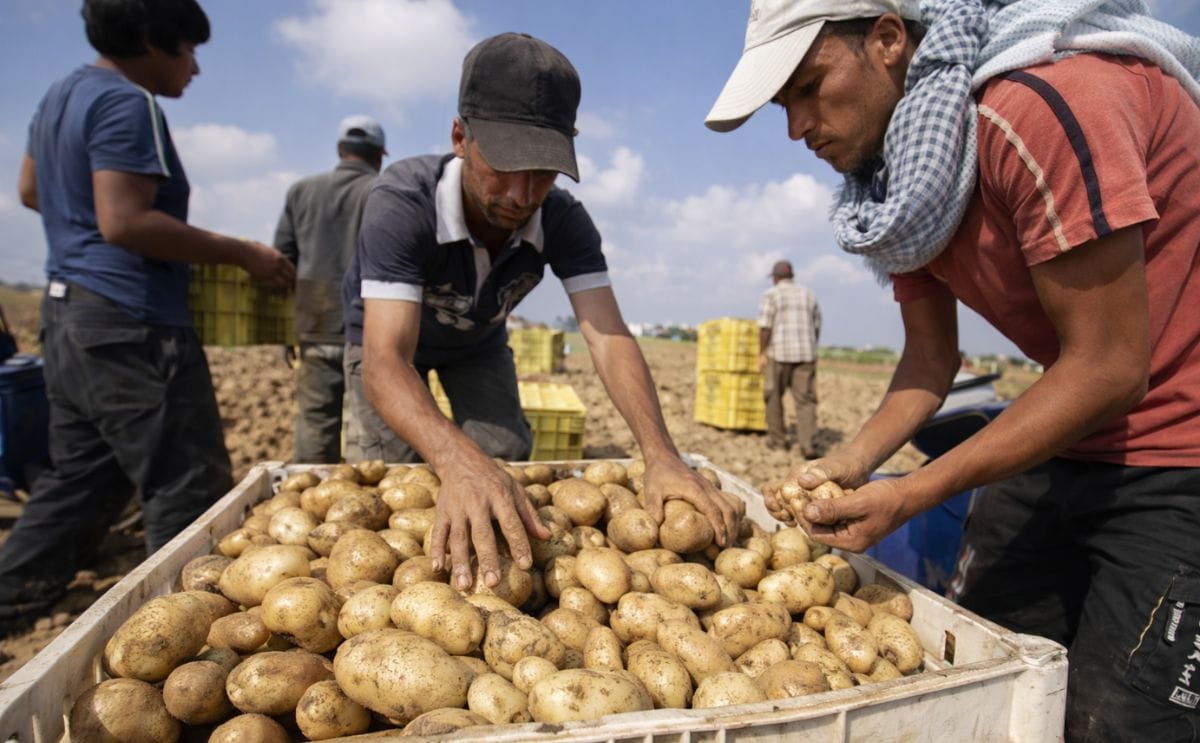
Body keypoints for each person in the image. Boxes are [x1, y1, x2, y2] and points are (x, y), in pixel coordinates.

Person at [706, 0, 1200, 739]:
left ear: (887, 39)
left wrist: (910, 491)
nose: (796, 126)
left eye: (809, 86)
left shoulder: (1042, 110)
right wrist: (850, 462)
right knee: (978, 671)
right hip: (1069, 431)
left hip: (1180, 452)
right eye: (784, 105)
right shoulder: (907, 188)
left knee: (1118, 722)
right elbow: (931, 361)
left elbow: (1110, 367)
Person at [343, 32, 742, 592]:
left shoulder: (562, 219)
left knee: (505, 459)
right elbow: (386, 360)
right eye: (505, 165)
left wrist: (662, 455)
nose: (523, 193)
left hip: (478, 344)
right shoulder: (401, 204)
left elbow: (607, 337)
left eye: (544, 170)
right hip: (390, 345)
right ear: (461, 136)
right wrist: (456, 460)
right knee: (389, 479)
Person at [1, 0, 295, 624]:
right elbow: (125, 220)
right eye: (188, 50)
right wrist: (241, 253)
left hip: (68, 316)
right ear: (151, 42)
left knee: (84, 471)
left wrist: (74, 229)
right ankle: (190, 632)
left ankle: (14, 594)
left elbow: (31, 191)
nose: (194, 67)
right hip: (129, 320)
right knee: (188, 483)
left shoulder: (59, 95)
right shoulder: (127, 102)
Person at [274, 115, 385, 464]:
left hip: (315, 327)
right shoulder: (383, 192)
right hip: (371, 332)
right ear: (380, 155)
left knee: (315, 422)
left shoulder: (301, 191)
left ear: (340, 150)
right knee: (369, 431)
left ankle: (310, 496)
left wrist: (286, 330)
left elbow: (281, 264)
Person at [758, 259, 821, 455]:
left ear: (776, 278)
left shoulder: (771, 294)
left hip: (779, 354)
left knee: (773, 397)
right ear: (791, 276)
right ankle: (808, 445)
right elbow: (817, 326)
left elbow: (765, 327)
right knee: (806, 401)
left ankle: (778, 441)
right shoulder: (808, 295)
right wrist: (810, 347)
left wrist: (761, 352)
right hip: (806, 355)